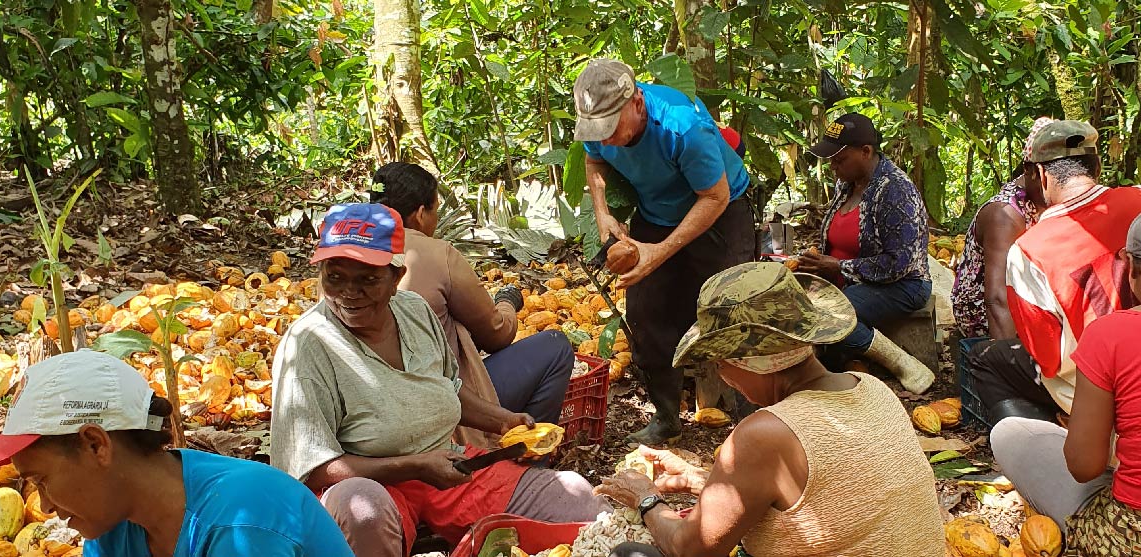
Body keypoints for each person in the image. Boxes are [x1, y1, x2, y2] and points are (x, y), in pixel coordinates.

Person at [269, 203, 607, 557]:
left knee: (577, 496)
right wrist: (414, 466)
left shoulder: (414, 311)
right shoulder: (308, 344)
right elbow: (314, 468)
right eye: (334, 277)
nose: (349, 293)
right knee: (363, 509)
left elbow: (449, 392)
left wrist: (504, 420)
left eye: (368, 279)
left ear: (396, 278)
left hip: (451, 464)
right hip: (370, 481)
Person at [594, 262, 946, 557]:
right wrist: (705, 482)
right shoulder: (872, 388)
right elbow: (841, 499)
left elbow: (691, 549)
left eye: (720, 364)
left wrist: (646, 500)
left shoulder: (765, 434)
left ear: (750, 362)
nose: (722, 376)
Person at [0, 350, 354, 557]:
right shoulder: (112, 527)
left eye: (41, 481)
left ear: (96, 445)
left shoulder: (241, 522)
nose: (44, 504)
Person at [573, 58, 756, 444]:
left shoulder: (683, 127)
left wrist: (662, 251)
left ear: (637, 102)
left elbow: (715, 195)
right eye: (596, 130)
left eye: (610, 128)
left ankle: (753, 420)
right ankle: (667, 416)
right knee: (646, 313)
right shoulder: (599, 121)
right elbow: (594, 159)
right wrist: (602, 214)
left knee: (732, 311)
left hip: (719, 209)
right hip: (656, 214)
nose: (603, 138)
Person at [369, 162, 576, 448]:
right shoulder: (436, 255)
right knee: (555, 345)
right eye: (435, 211)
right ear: (420, 214)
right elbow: (496, 335)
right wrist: (506, 302)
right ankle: (528, 459)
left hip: (380, 412)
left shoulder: (346, 260)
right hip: (440, 412)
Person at [969, 120, 1141, 424]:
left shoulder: (1029, 250)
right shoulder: (1137, 202)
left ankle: (1057, 441)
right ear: (1097, 165)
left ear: (1040, 174)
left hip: (1098, 393)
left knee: (987, 359)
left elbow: (1047, 359)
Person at [988, 213, 1141, 553]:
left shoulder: (1110, 335)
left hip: (1131, 535)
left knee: (1008, 433)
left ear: (1129, 267)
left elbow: (1084, 466)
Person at [797, 113, 934, 394]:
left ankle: (902, 363)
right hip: (850, 279)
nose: (833, 166)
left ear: (866, 152)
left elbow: (898, 263)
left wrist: (839, 267)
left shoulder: (895, 191)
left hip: (901, 284)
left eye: (839, 159)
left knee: (831, 316)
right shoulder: (846, 184)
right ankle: (847, 363)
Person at [951, 118, 1051, 340]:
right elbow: (996, 298)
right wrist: (1006, 361)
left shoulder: (1046, 200)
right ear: (1033, 172)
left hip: (1029, 298)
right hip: (984, 310)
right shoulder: (1005, 214)